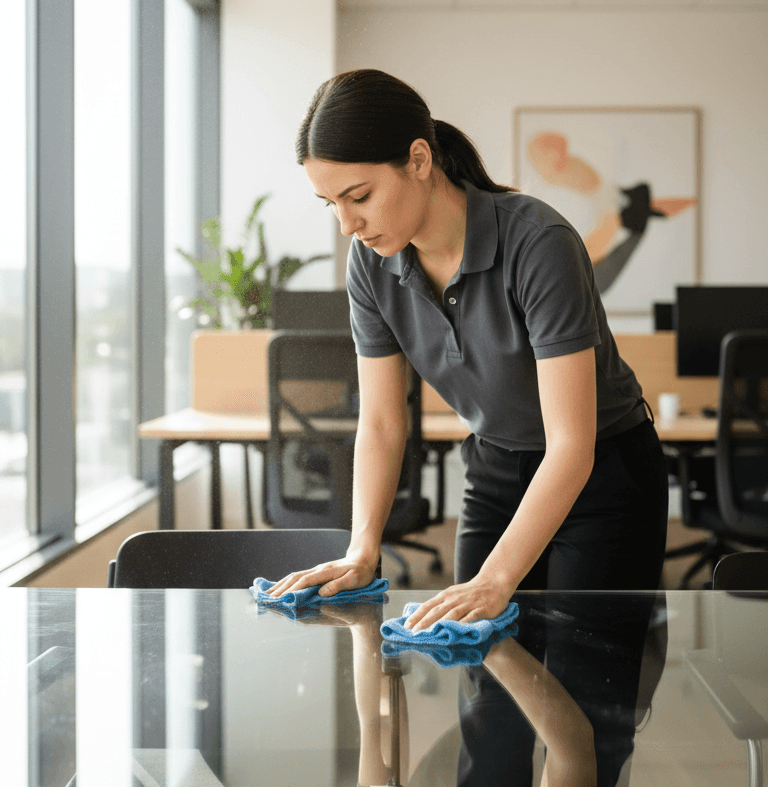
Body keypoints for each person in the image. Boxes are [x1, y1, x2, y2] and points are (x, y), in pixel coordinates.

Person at [266, 69, 669, 623]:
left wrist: (497, 580)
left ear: (419, 160)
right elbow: (382, 422)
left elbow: (572, 445)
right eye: (329, 203)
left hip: (602, 471)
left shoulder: (538, 244)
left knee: (591, 683)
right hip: (495, 465)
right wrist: (362, 548)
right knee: (481, 671)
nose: (346, 224)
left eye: (358, 196)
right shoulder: (371, 261)